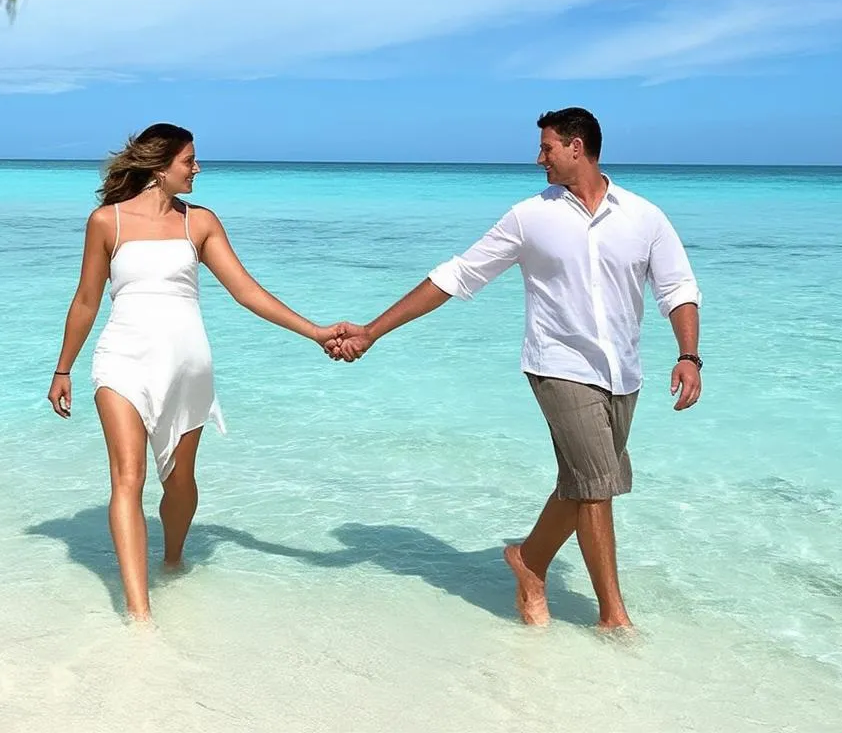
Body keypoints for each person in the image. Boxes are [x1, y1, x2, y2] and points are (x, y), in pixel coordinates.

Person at [327, 107, 702, 629]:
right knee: (596, 483)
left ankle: (528, 560)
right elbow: (457, 275)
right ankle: (613, 617)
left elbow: (677, 289)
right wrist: (372, 330)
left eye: (547, 147)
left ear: (577, 146)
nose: (539, 158)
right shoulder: (530, 217)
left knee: (581, 481)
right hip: (558, 366)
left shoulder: (645, 217)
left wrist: (688, 356)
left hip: (623, 371)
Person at [47, 123, 344, 621]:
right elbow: (85, 300)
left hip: (188, 366)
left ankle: (173, 557)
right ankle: (139, 613)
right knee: (128, 478)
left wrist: (313, 332)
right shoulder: (107, 222)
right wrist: (63, 369)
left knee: (179, 481)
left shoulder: (199, 223)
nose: (197, 168)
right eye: (189, 160)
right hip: (122, 359)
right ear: (160, 167)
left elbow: (247, 291)